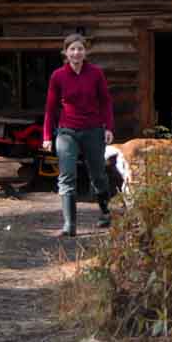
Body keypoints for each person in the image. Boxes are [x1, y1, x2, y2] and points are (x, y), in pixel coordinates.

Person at [42, 33, 114, 237]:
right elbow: (50, 108)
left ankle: (105, 212)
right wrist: (47, 135)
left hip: (92, 130)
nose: (76, 52)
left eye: (80, 49)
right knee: (67, 176)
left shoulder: (96, 74)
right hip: (67, 132)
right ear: (65, 52)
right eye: (72, 49)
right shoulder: (58, 76)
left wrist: (108, 127)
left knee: (98, 174)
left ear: (86, 51)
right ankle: (69, 225)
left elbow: (106, 102)